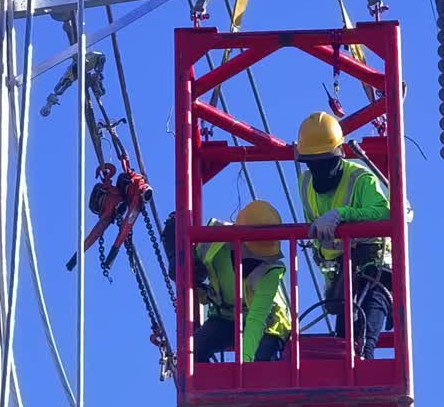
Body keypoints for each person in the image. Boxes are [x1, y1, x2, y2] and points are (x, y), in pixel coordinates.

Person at [296, 111, 393, 359]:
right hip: (341, 269)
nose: (319, 170)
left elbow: (385, 213)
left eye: (326, 162)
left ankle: (365, 354)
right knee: (344, 336)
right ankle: (352, 360)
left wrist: (342, 214)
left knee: (372, 294)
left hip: (373, 260)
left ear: (339, 154)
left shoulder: (359, 178)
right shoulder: (306, 183)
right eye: (313, 163)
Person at [163, 200, 292, 363]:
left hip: (268, 322)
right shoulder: (214, 242)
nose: (257, 260)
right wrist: (176, 258)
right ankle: (208, 386)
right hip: (226, 316)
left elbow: (257, 319)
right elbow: (187, 261)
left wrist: (245, 363)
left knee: (259, 365)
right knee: (191, 353)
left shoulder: (271, 271)